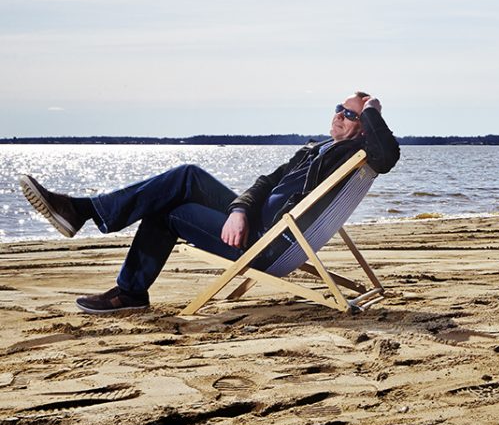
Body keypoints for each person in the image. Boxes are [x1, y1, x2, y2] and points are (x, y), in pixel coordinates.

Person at [19, 92, 399, 314]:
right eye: (339, 107)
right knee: (186, 175)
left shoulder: (363, 152)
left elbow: (389, 154)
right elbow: (266, 182)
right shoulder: (319, 148)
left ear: (365, 125)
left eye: (351, 114)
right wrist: (238, 210)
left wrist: (371, 110)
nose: (339, 116)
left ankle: (126, 284)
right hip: (255, 223)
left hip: (267, 244)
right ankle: (86, 212)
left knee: (167, 213)